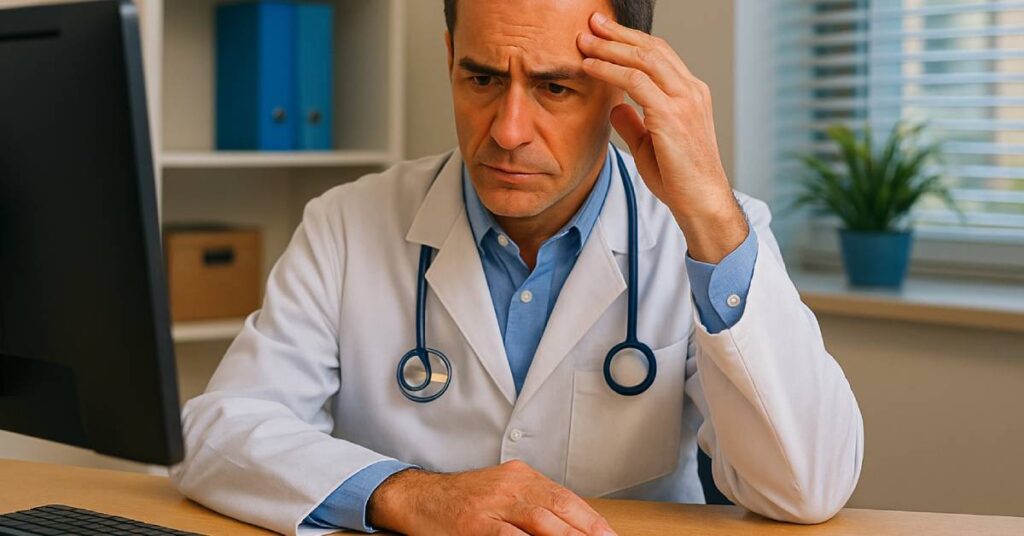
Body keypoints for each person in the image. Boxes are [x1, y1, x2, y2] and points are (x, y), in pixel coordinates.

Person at [169, 1, 864, 535]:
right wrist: (412, 495)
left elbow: (806, 487)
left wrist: (710, 211)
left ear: (626, 89)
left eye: (556, 87)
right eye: (482, 78)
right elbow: (218, 433)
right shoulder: (347, 224)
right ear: (449, 61)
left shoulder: (711, 236)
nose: (507, 130)